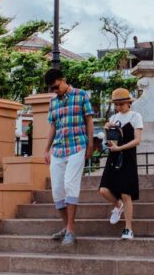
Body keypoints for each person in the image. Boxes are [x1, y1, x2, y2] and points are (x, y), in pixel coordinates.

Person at [44, 69, 94, 246]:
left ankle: (71, 231)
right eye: (52, 89)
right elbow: (53, 126)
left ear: (63, 80)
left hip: (77, 145)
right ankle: (66, 227)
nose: (55, 90)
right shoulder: (53, 102)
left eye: (56, 87)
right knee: (57, 190)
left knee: (70, 185)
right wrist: (46, 149)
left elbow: (89, 120)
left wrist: (90, 144)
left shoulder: (81, 95)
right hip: (58, 149)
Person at [98, 88, 142, 240]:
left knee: (125, 193)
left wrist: (120, 148)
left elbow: (137, 140)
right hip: (113, 157)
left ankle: (128, 228)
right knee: (103, 190)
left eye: (121, 103)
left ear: (128, 102)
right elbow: (108, 142)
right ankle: (118, 206)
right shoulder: (114, 118)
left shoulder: (136, 116)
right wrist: (106, 131)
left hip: (128, 157)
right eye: (116, 104)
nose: (119, 107)